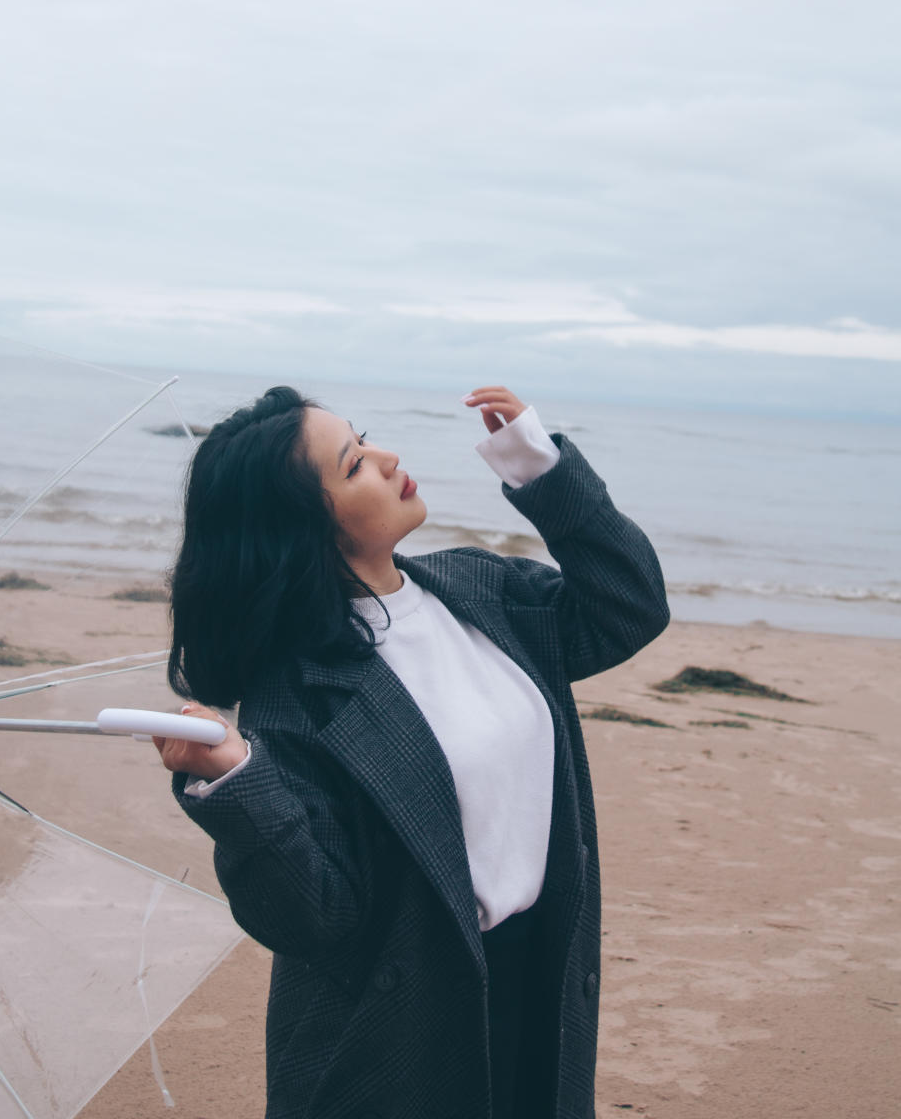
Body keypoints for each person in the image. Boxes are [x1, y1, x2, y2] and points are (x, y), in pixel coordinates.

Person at [156, 384, 669, 1119]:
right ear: (304, 522)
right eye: (354, 464)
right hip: (395, 1026)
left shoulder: (481, 588)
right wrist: (236, 785)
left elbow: (627, 606)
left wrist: (537, 466)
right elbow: (315, 917)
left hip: (539, 976)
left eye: (365, 438)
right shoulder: (293, 694)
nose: (388, 457)